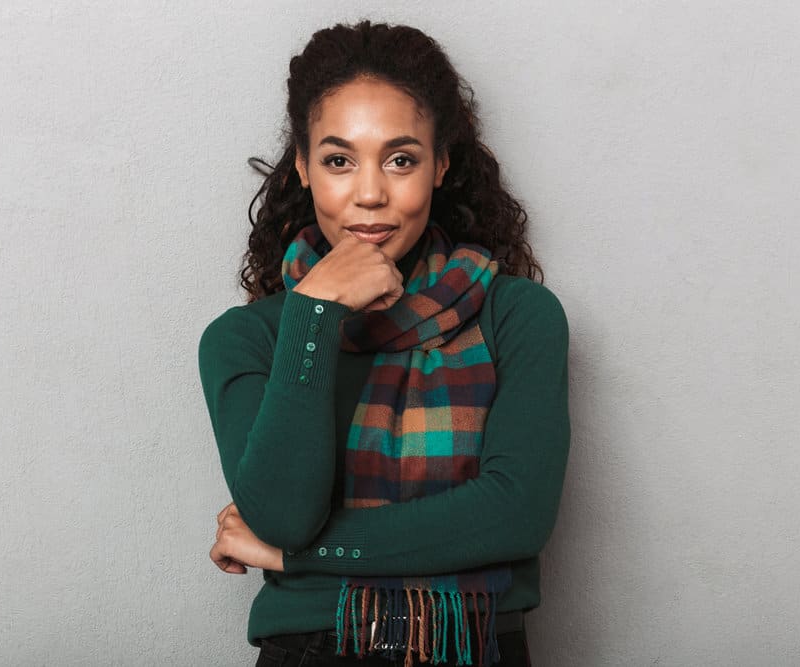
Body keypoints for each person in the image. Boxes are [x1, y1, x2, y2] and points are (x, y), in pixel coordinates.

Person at [198, 20, 570, 667]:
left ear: (441, 163)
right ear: (304, 167)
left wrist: (298, 556)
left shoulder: (517, 316)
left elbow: (515, 514)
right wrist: (314, 312)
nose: (370, 194)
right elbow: (284, 512)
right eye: (339, 160)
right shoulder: (247, 340)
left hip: (474, 646)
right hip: (310, 649)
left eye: (401, 159)